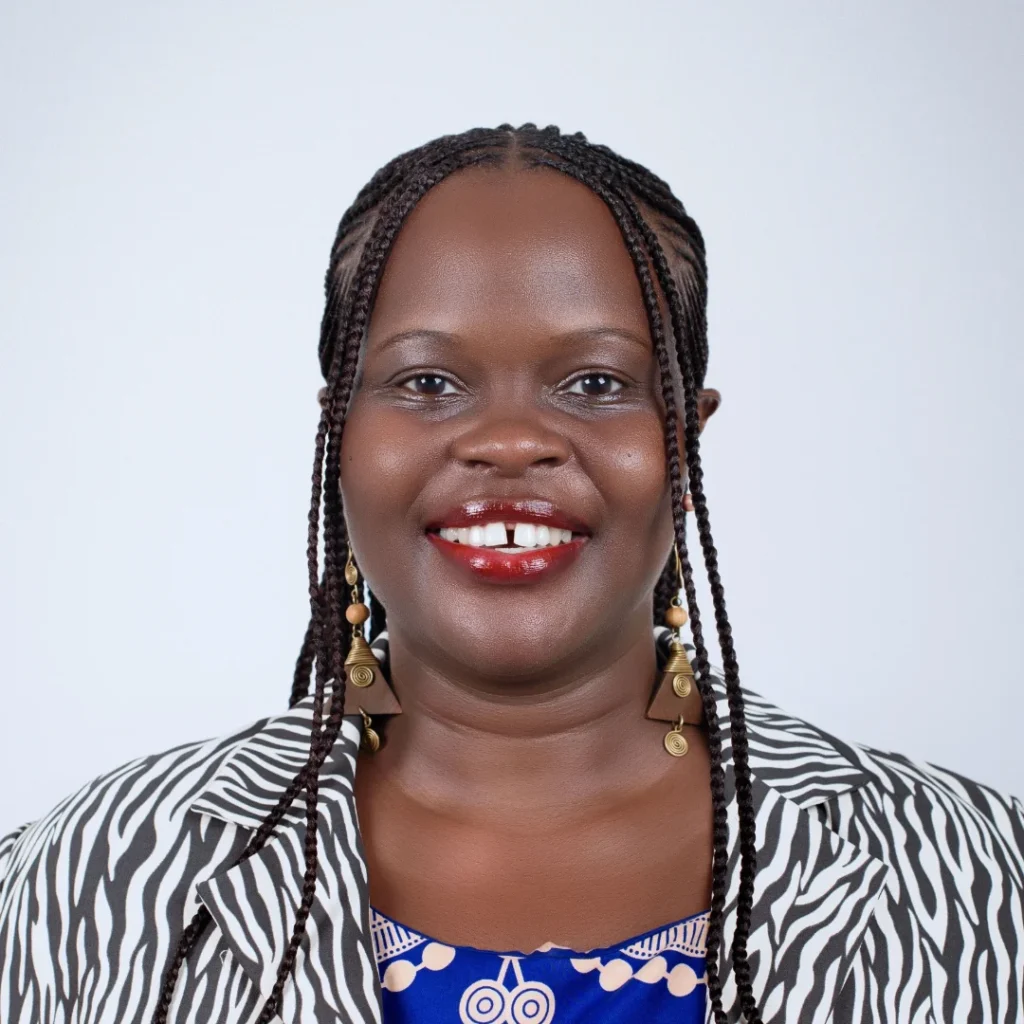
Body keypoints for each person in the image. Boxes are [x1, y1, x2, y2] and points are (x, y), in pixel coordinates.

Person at [0, 124, 1021, 1024]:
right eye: (427, 381)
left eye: (594, 382)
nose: (510, 440)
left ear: (684, 441)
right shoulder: (80, 877)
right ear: (338, 436)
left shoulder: (971, 872)